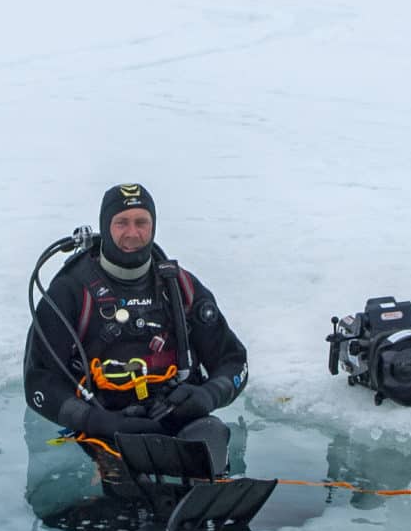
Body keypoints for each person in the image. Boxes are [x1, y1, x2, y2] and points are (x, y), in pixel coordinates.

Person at [24, 183, 249, 480]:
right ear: (106, 226)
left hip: (175, 418)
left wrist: (206, 396)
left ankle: (209, 503)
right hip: (102, 427)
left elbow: (235, 362)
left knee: (211, 436)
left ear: (153, 226)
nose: (132, 233)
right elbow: (38, 382)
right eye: (122, 223)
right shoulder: (70, 291)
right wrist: (96, 420)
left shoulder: (180, 287)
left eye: (141, 222)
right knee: (120, 482)